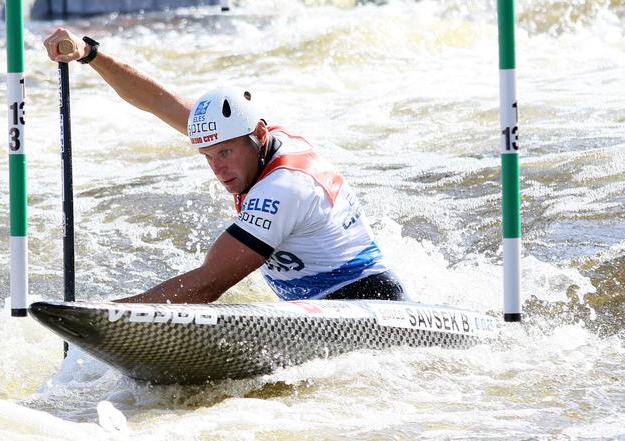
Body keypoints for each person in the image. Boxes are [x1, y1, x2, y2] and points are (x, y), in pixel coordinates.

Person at [43, 28, 406, 305]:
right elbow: (156, 101)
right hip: (315, 307)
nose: (218, 168)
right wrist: (90, 54)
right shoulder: (244, 137)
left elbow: (208, 284)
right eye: (208, 157)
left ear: (258, 134)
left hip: (363, 301)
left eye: (225, 153)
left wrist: (108, 313)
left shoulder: (284, 187)